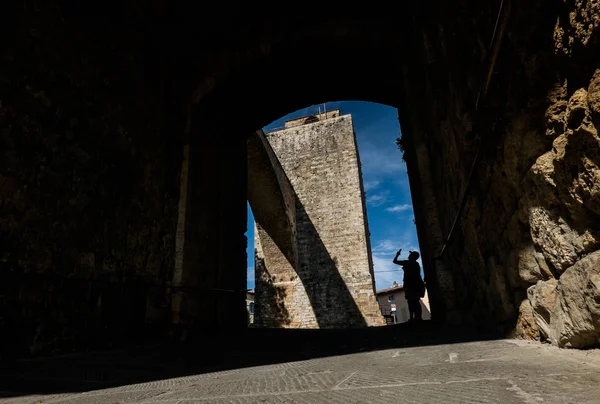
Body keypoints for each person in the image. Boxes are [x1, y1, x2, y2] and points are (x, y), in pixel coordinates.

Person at [392, 249, 425, 322]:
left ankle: (412, 318)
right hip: (416, 284)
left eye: (410, 255)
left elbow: (395, 261)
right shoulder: (416, 264)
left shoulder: (407, 263)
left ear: (412, 256)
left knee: (411, 302)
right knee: (415, 301)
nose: (408, 255)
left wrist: (397, 254)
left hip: (410, 284)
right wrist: (412, 254)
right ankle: (418, 317)